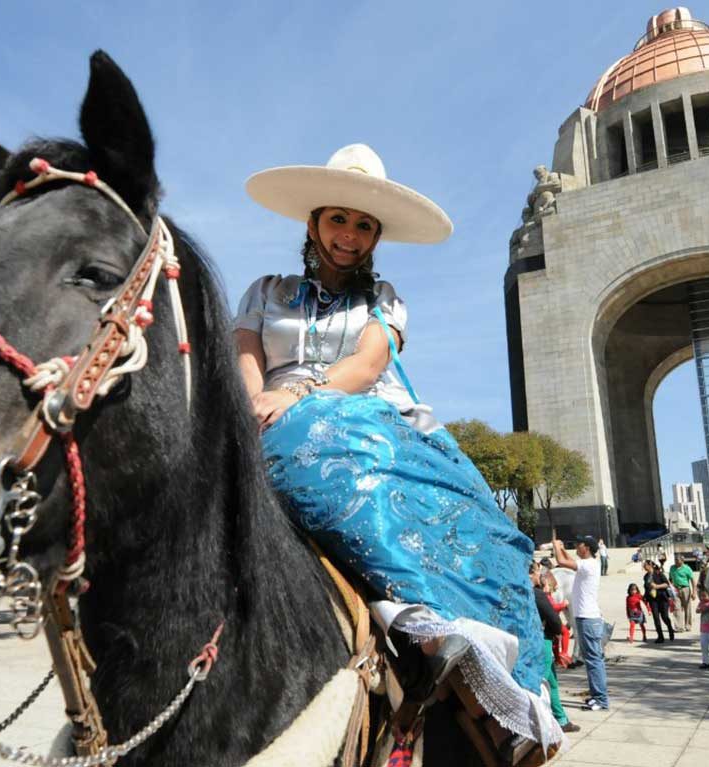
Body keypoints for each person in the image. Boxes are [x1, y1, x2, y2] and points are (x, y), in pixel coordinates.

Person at [234, 144, 560, 750]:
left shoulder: (383, 299)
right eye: (338, 219)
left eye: (364, 225)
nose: (350, 236)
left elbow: (365, 366)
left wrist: (299, 395)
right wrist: (255, 404)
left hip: (359, 415)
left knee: (480, 519)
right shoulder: (263, 291)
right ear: (312, 222)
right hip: (266, 416)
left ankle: (451, 642)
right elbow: (247, 364)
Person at [553, 536, 609, 711]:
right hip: (586, 618)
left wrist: (555, 546)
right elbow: (569, 560)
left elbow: (561, 562)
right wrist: (561, 548)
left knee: (593, 661)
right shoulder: (588, 564)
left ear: (587, 548)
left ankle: (601, 699)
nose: (576, 546)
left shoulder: (588, 565)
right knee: (592, 660)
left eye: (579, 544)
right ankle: (596, 696)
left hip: (588, 619)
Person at [530, 564, 580, 734]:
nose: (539, 574)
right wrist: (558, 630)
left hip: (533, 641)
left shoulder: (521, 593)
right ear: (531, 574)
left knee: (552, 682)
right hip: (543, 641)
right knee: (542, 683)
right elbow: (555, 621)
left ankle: (561, 719)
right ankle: (537, 722)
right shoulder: (538, 595)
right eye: (537, 571)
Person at [644, 562, 675, 643]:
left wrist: (657, 586)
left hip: (662, 598)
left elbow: (667, 584)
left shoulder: (659, 573)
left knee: (664, 617)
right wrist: (645, 597)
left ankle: (670, 629)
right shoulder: (646, 576)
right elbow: (646, 588)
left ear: (650, 565)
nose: (644, 566)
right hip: (652, 599)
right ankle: (660, 636)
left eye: (645, 565)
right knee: (656, 618)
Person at [668, 555, 696, 632]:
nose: (676, 561)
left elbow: (693, 580)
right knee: (677, 608)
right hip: (676, 589)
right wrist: (671, 587)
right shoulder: (672, 568)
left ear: (682, 560)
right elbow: (670, 578)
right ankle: (679, 627)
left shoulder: (687, 568)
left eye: (677, 560)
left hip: (685, 589)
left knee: (687, 607)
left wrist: (694, 592)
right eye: (675, 559)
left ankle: (688, 625)